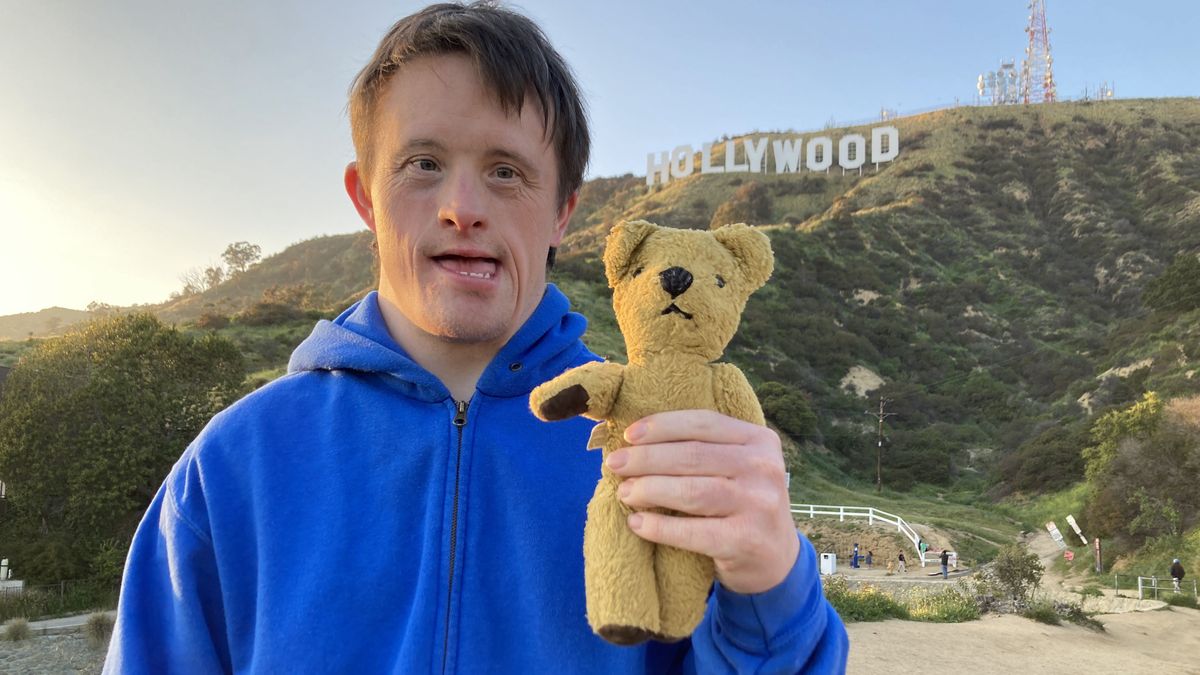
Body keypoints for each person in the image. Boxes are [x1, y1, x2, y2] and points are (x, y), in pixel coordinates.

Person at [102, 3, 848, 673]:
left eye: (505, 170)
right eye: (423, 164)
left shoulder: (655, 442)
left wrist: (771, 585)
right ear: (365, 194)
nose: (463, 207)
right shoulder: (234, 464)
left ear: (562, 213)